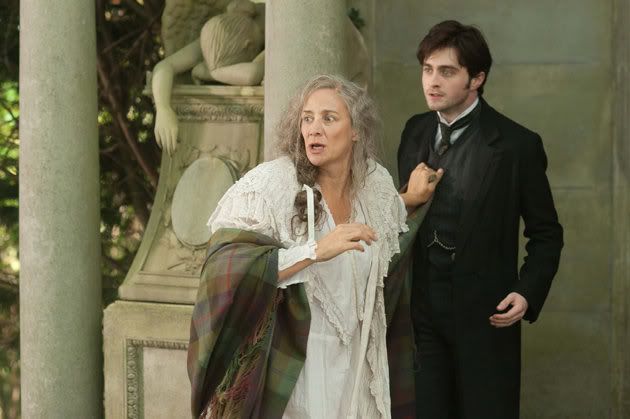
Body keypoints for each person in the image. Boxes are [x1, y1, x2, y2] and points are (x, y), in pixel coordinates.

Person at [187, 74, 441, 418]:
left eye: (328, 118)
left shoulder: (376, 184)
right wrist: (315, 250)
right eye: (307, 118)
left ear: (356, 130)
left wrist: (411, 198)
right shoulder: (274, 183)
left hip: (358, 368)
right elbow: (224, 267)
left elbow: (388, 225)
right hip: (299, 367)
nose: (313, 129)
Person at [397, 20, 563, 418]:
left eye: (447, 71)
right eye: (427, 69)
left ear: (477, 79)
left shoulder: (517, 146)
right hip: (422, 320)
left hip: (487, 319)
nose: (432, 81)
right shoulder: (414, 131)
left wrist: (527, 291)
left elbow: (546, 234)